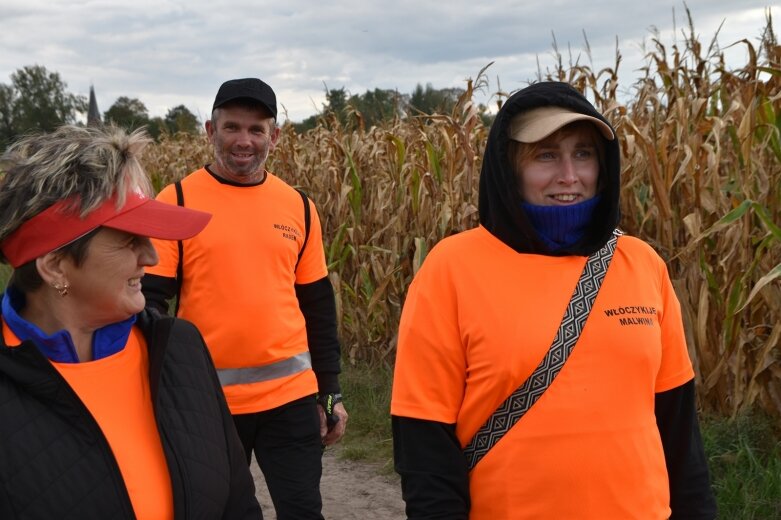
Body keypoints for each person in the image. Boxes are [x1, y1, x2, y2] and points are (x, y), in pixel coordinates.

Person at [390, 81, 717, 519]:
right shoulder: (451, 269)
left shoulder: (642, 265)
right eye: (545, 155)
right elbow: (423, 439)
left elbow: (679, 430)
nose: (569, 175)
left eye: (583, 153)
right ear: (509, 167)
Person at [0, 124, 261, 519]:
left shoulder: (179, 348)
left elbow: (238, 505)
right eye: (129, 239)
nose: (152, 258)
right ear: (55, 265)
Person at [142, 77, 348, 520]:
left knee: (303, 512)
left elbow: (317, 309)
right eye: (232, 127)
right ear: (209, 130)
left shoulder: (299, 206)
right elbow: (148, 307)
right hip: (208, 403)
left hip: (290, 401)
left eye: (257, 130)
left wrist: (329, 395)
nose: (244, 140)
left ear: (274, 136)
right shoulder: (176, 202)